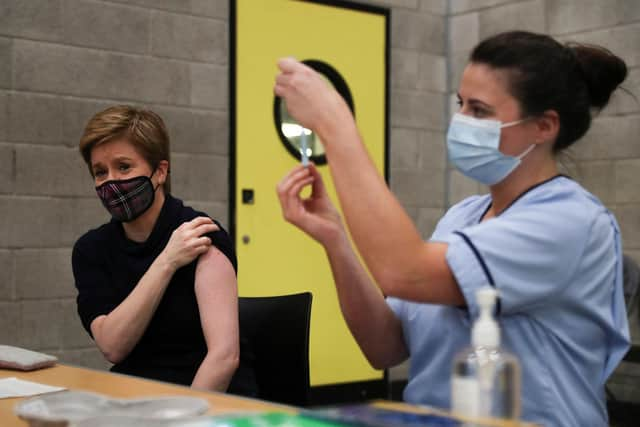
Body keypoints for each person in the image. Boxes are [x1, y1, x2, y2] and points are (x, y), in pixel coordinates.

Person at [275, 31, 630, 426]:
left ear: (544, 126)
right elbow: (384, 347)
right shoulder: (463, 217)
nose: (461, 122)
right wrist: (335, 239)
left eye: (479, 110)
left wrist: (333, 121)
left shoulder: (570, 220)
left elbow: (402, 271)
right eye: (460, 105)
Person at [72, 105, 252, 394]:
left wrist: (180, 420)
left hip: (206, 399)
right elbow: (113, 346)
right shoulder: (91, 250)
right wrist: (167, 261)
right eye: (100, 172)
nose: (112, 181)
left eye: (124, 166)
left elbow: (224, 358)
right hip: (136, 398)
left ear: (160, 171)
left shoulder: (200, 234)